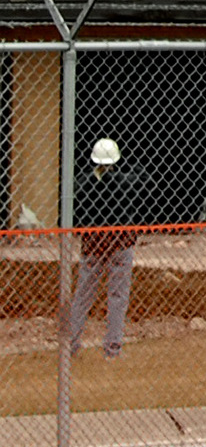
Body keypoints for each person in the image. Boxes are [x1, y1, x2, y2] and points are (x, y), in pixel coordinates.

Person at [66, 137, 144, 359]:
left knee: (83, 294)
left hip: (94, 244)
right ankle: (112, 349)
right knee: (118, 295)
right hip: (121, 242)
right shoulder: (124, 181)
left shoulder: (84, 182)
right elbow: (143, 177)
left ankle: (70, 345)